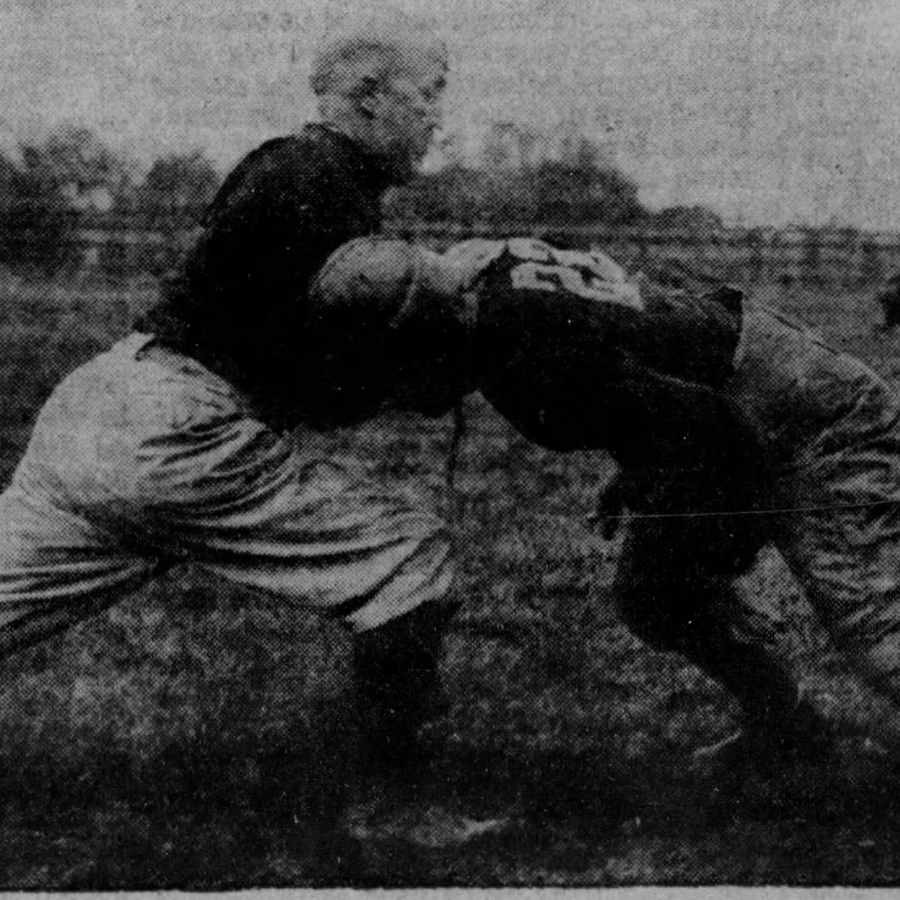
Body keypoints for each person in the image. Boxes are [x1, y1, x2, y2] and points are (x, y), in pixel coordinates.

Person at [0, 10, 473, 859]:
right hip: (179, 433)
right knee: (411, 558)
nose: (439, 118)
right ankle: (394, 807)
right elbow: (310, 380)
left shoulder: (293, 164)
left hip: (103, 403)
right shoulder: (325, 181)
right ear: (368, 98)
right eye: (429, 95)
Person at [445, 240, 900, 772]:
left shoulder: (518, 339)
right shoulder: (510, 280)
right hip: (760, 377)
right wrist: (643, 474)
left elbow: (721, 432)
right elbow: (651, 381)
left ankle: (787, 728)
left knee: (874, 623)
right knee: (652, 595)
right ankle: (785, 726)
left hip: (805, 414)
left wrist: (717, 553)